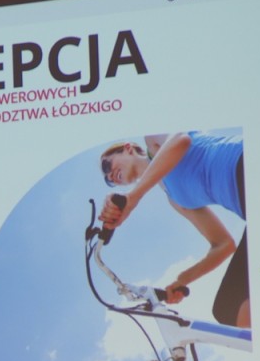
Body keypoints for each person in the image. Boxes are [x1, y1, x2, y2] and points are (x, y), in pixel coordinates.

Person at [98, 131, 250, 327]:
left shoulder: (152, 142)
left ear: (127, 148)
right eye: (108, 180)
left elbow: (181, 141)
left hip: (245, 162)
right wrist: (182, 280)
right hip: (250, 209)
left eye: (107, 165)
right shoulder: (175, 198)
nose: (110, 175)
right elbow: (223, 244)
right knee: (227, 309)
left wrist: (133, 197)